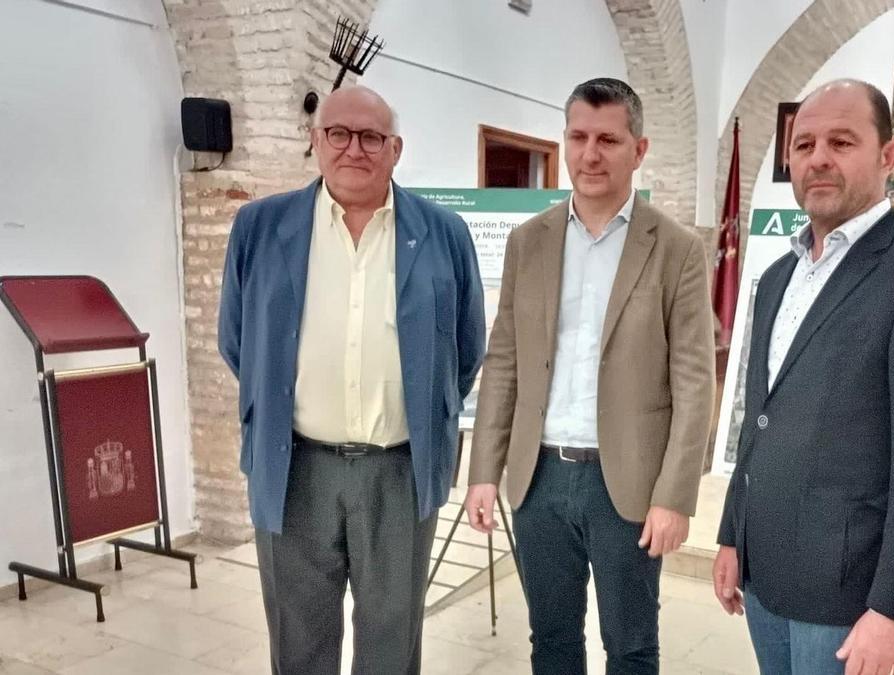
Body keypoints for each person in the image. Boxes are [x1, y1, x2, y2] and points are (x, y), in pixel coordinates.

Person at [712, 79, 894, 675]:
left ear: (890, 156)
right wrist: (733, 535)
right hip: (765, 572)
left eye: (841, 141)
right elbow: (760, 419)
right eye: (803, 145)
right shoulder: (778, 275)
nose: (819, 158)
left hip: (848, 591)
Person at [217, 85, 486, 674]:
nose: (354, 149)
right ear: (316, 141)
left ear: (395, 149)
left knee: (392, 640)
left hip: (400, 469)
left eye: (371, 137)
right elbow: (239, 343)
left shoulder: (444, 234)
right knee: (299, 638)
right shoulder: (260, 228)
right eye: (339, 133)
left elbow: (466, 352)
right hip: (294, 468)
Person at [464, 77, 715, 674]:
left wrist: (675, 497)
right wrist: (482, 472)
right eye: (577, 136)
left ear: (639, 149)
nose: (590, 153)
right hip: (539, 477)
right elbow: (504, 362)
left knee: (630, 645)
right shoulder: (530, 241)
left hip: (625, 483)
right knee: (551, 639)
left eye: (608, 138)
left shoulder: (676, 248)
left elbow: (694, 382)